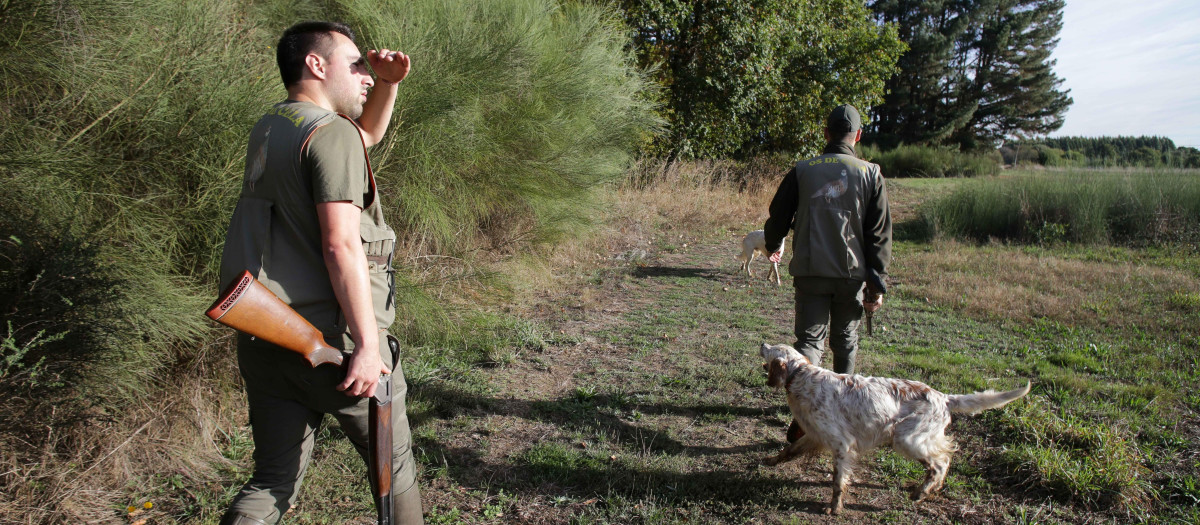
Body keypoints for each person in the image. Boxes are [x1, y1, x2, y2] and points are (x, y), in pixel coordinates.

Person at [216, 21, 422, 524]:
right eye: (356, 65)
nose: (366, 75)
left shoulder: (274, 125)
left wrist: (390, 83)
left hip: (269, 337)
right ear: (316, 64)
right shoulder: (329, 134)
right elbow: (340, 244)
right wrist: (369, 349)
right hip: (336, 349)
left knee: (271, 482)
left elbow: (362, 137)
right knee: (393, 475)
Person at [763, 104, 892, 443]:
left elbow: (778, 214)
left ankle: (805, 410)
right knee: (845, 342)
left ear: (825, 133)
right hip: (852, 275)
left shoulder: (802, 170)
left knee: (809, 341)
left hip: (810, 271)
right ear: (858, 136)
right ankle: (840, 406)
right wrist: (876, 282)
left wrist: (773, 243)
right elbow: (878, 234)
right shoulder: (871, 173)